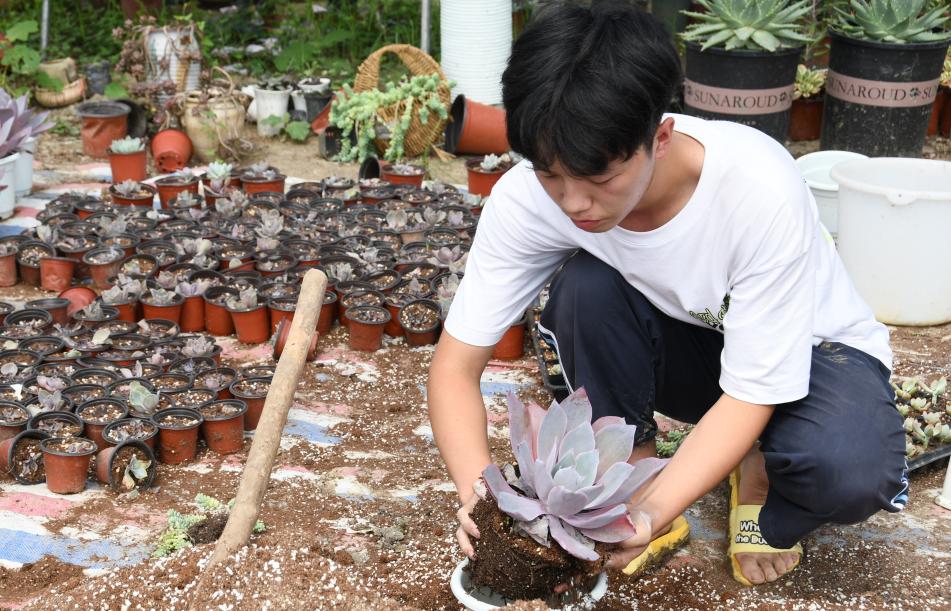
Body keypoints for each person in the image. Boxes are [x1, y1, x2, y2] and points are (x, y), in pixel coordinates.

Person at [426, 0, 908, 587]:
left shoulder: (756, 190)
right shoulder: (528, 199)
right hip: (702, 352)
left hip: (816, 355)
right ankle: (637, 470)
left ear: (660, 136)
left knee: (850, 471)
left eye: (600, 178)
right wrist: (482, 498)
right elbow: (455, 368)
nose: (574, 202)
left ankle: (753, 472)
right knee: (585, 288)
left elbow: (754, 391)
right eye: (550, 173)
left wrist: (654, 515)